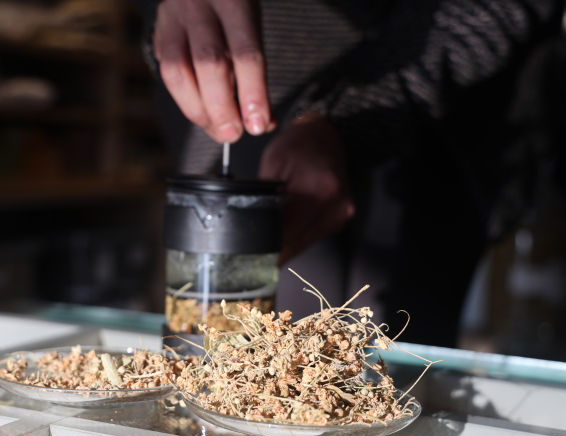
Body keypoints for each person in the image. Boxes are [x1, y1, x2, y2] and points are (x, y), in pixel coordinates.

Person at [139, 0, 566, 347]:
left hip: (446, 115)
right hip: (244, 109)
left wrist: (354, 117)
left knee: (390, 369)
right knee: (215, 356)